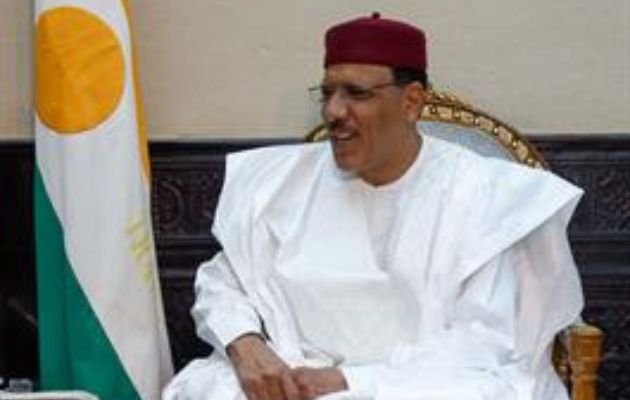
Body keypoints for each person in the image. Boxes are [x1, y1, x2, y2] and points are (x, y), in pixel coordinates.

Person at [164, 12, 584, 400]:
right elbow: (224, 282)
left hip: (424, 385)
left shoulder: (484, 196)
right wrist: (245, 342)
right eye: (327, 93)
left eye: (356, 94)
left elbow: (488, 345)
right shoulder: (280, 185)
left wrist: (355, 382)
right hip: (295, 376)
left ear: (412, 102)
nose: (333, 112)